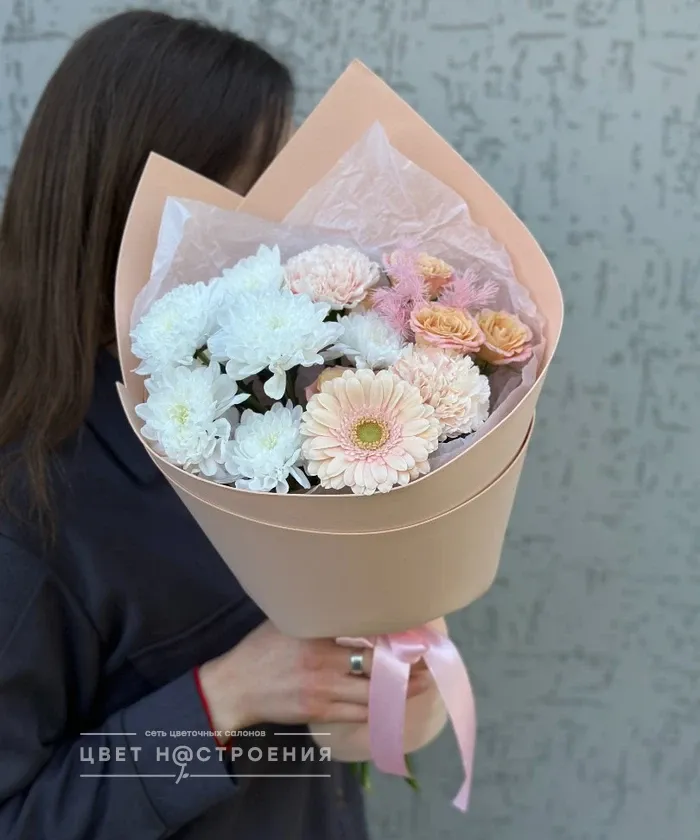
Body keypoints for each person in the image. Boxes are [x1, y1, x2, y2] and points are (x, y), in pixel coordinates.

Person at [0, 11, 432, 840]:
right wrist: (221, 699)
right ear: (138, 202)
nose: (294, 217)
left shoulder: (281, 409)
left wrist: (390, 662)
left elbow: (316, 734)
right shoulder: (32, 502)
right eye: (263, 184)